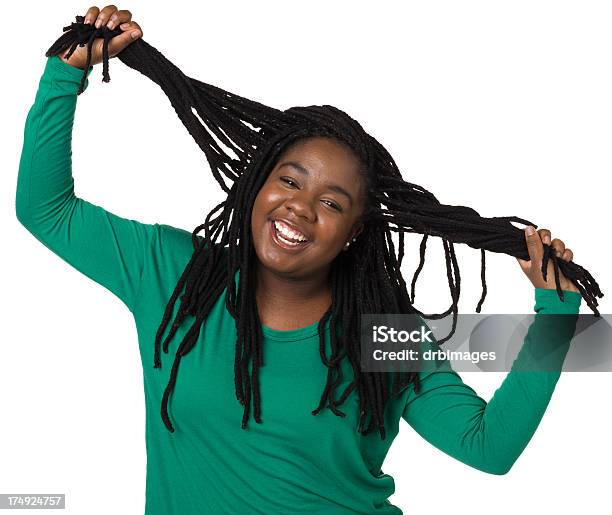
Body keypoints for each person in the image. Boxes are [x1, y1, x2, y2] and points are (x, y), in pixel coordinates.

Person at [16, 5, 584, 514]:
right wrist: (67, 72)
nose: (300, 208)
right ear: (258, 184)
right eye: (289, 179)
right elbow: (45, 210)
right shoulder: (175, 275)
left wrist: (556, 315)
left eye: (331, 203)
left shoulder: (384, 335)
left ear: (355, 232)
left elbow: (488, 448)